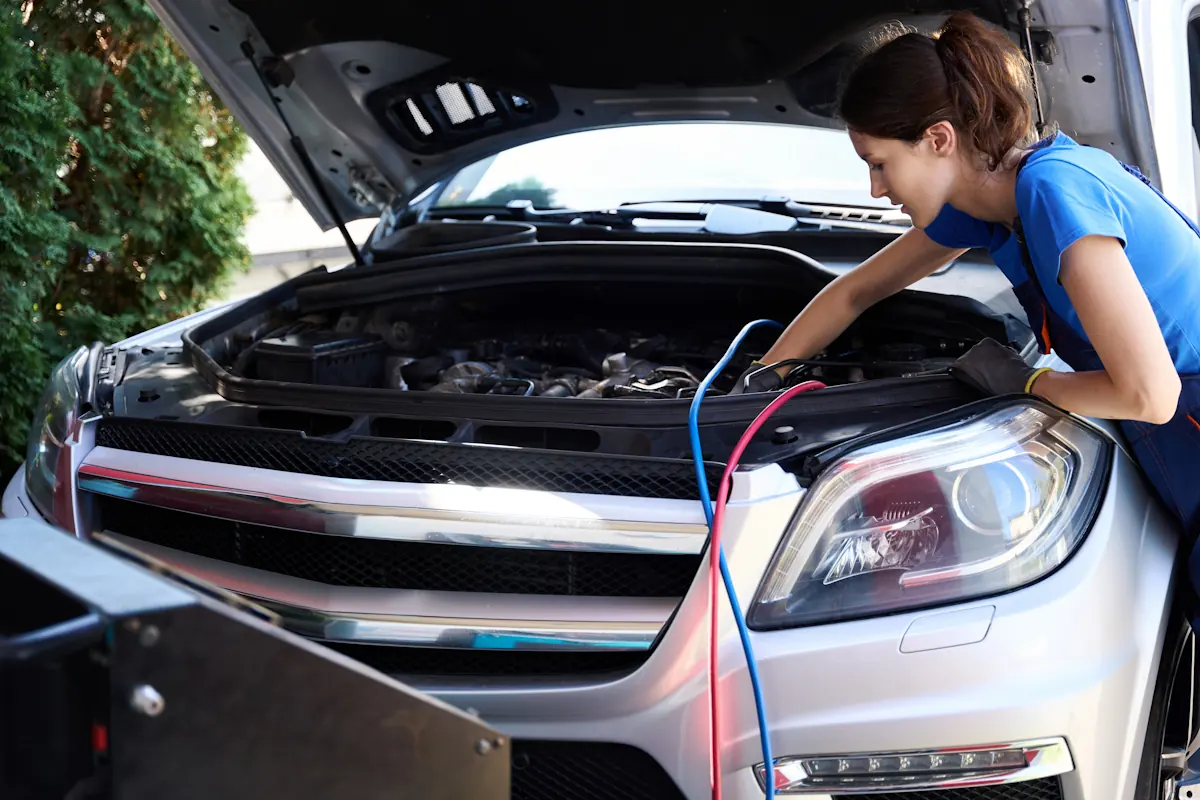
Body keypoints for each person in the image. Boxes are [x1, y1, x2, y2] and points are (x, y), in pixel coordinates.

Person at [734, 12, 1200, 546]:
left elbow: (1150, 395)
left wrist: (1025, 385)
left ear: (938, 139)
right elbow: (855, 291)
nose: (874, 188)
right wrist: (759, 381)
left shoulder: (1055, 192)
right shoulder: (989, 205)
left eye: (880, 163)